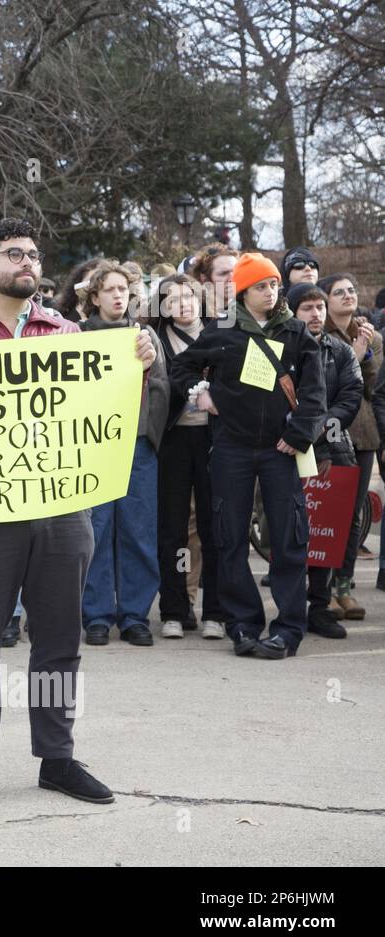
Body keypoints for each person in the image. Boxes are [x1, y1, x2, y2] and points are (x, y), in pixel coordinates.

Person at [0, 218, 158, 807]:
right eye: (14, 253)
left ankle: (57, 759)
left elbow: (110, 417)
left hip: (64, 508)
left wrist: (136, 368)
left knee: (60, 637)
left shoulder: (69, 333)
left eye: (35, 254)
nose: (28, 263)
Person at [169, 252, 325, 660]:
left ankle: (289, 628)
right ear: (242, 290)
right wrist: (198, 394)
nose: (271, 292)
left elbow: (314, 391)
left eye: (274, 284)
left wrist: (299, 433)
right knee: (229, 537)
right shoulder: (221, 331)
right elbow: (182, 368)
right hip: (230, 449)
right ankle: (243, 625)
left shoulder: (294, 331)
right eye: (261, 286)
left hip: (280, 450)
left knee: (289, 539)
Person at [78, 261, 169, 646]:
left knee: (138, 529)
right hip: (93, 445)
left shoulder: (144, 336)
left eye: (123, 290)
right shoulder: (77, 336)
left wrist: (149, 369)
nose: (118, 296)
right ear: (94, 296)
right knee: (95, 530)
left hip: (136, 445)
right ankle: (96, 614)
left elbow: (164, 389)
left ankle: (134, 615)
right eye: (110, 289)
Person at [154, 275, 226, 640]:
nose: (183, 304)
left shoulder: (220, 333)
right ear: (161, 306)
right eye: (173, 298)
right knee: (173, 528)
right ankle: (175, 608)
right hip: (173, 439)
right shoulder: (152, 338)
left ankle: (215, 609)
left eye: (189, 297)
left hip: (214, 438)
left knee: (214, 529)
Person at [287, 282, 359, 642]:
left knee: (327, 532)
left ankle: (320, 606)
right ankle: (290, 609)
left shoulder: (342, 352)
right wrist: (305, 434)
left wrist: (322, 439)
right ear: (292, 312)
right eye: (307, 308)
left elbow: (350, 397)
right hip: (287, 449)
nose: (316, 314)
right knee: (292, 530)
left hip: (333, 448)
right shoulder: (279, 350)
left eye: (319, 307)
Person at [318, 272, 379, 620]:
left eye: (352, 290)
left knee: (355, 515)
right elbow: (328, 388)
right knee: (328, 514)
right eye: (339, 292)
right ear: (326, 300)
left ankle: (345, 586)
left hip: (363, 434)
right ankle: (321, 590)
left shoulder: (372, 336)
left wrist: (366, 352)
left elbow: (373, 387)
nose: (347, 296)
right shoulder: (319, 336)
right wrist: (352, 358)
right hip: (330, 433)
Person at [189, 244, 238, 322]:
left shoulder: (251, 310)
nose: (231, 279)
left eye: (236, 272)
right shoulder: (193, 317)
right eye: (223, 273)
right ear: (204, 279)